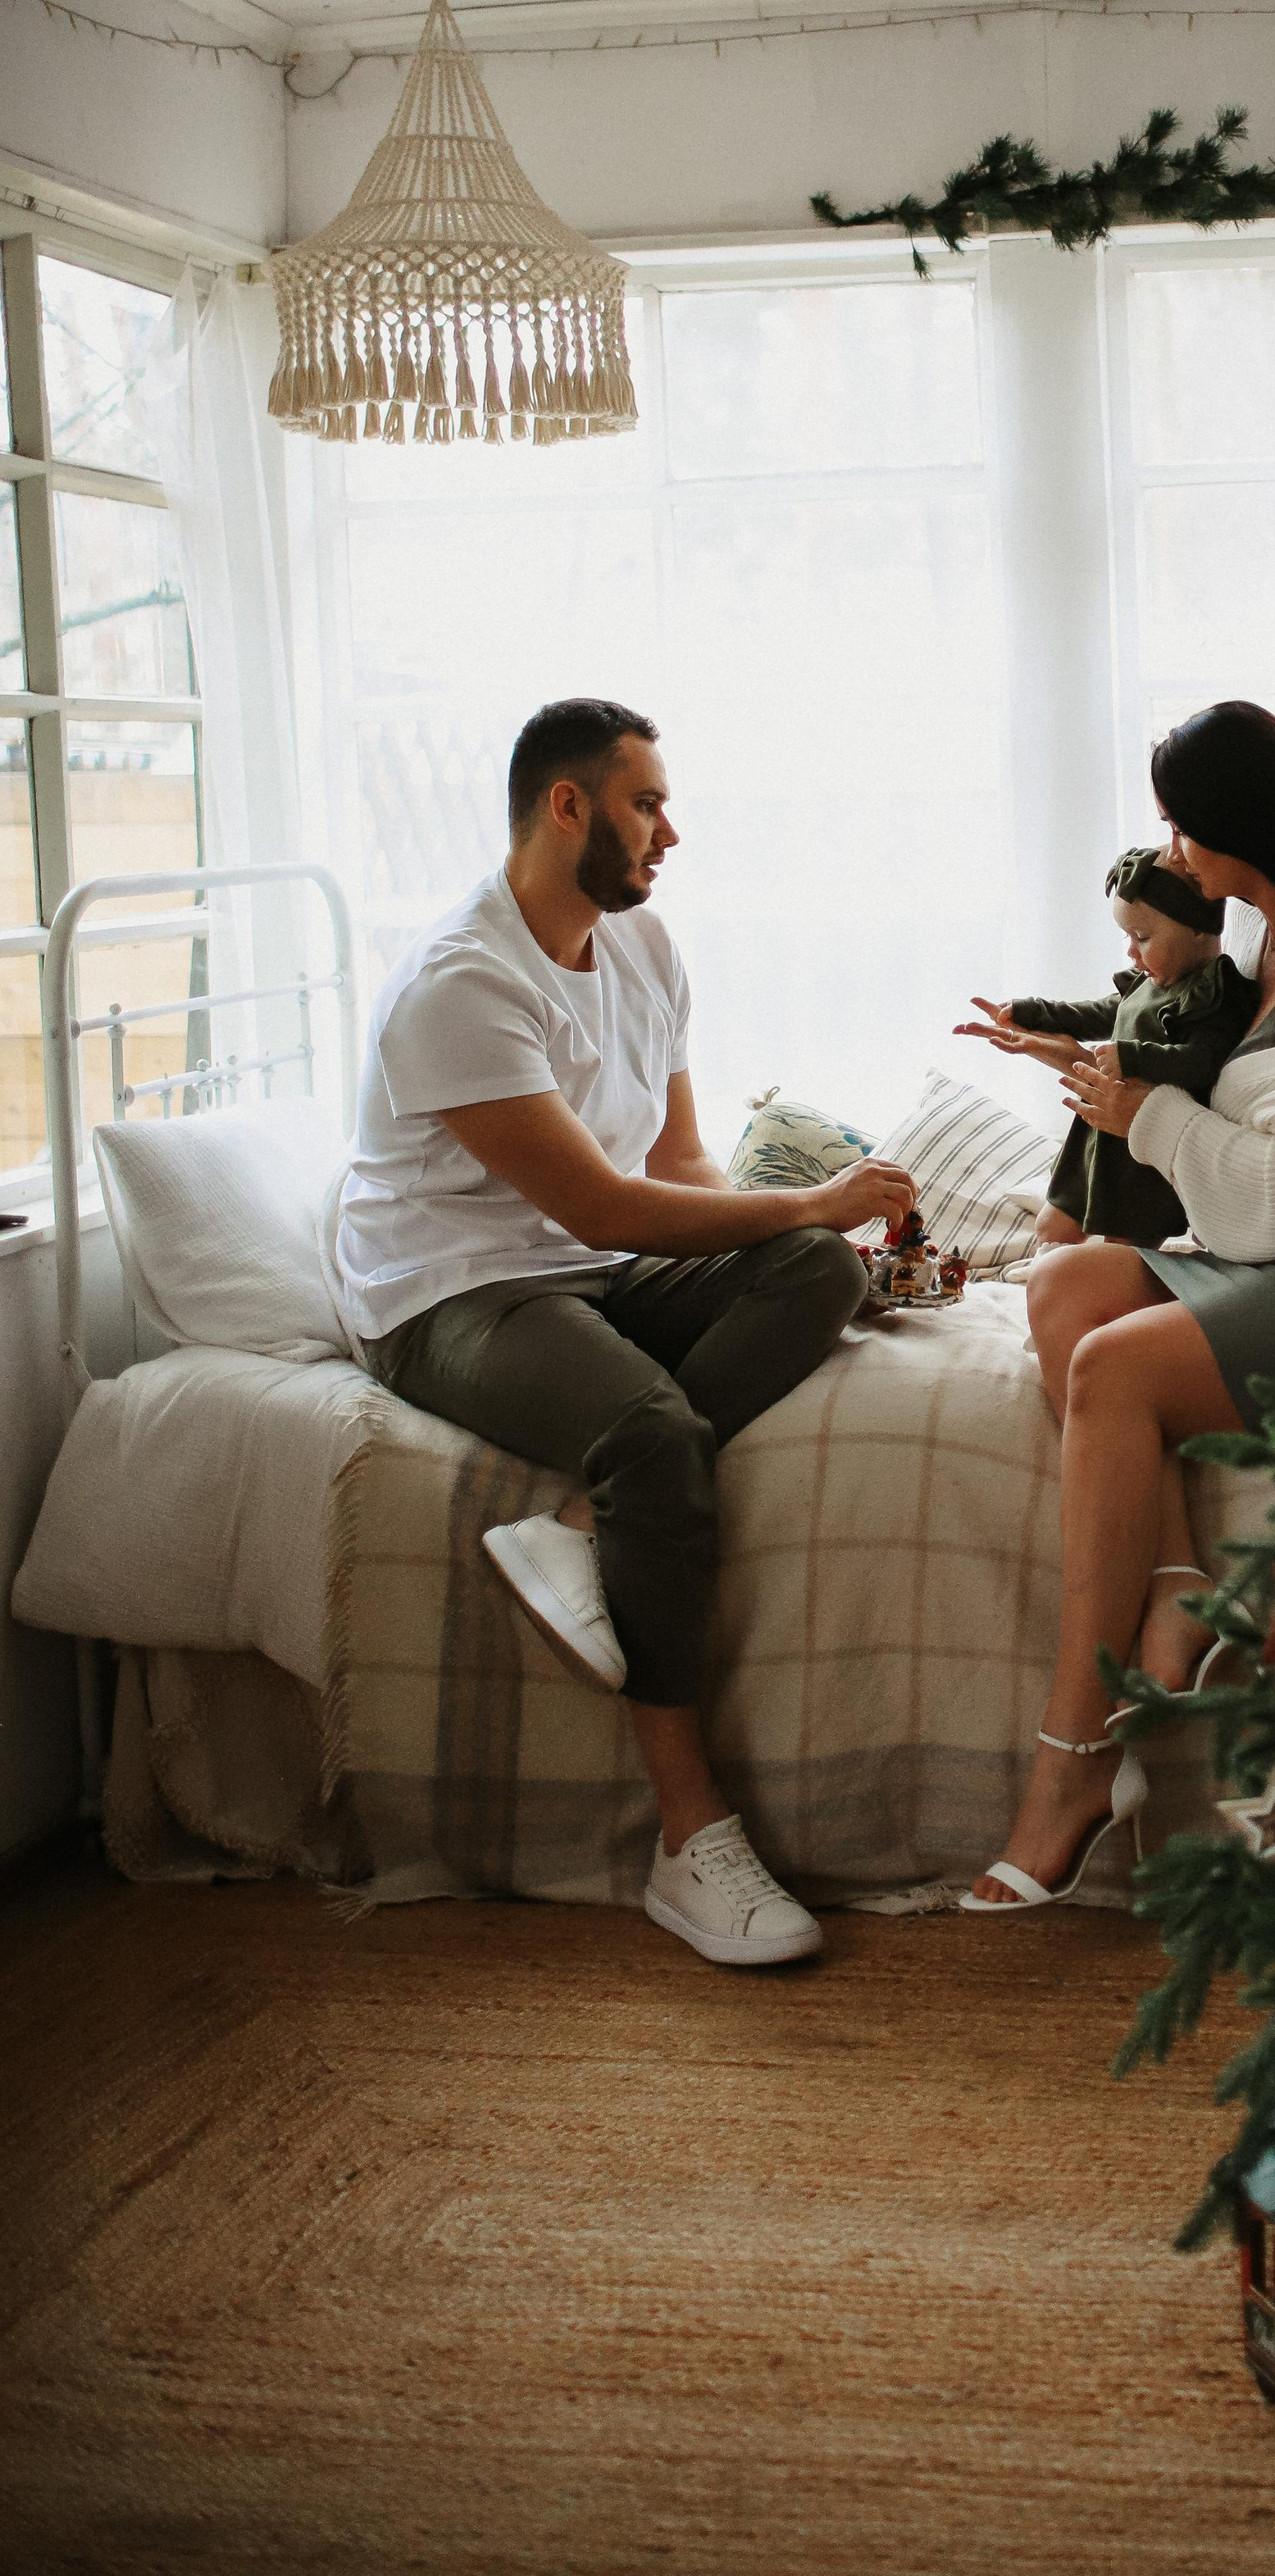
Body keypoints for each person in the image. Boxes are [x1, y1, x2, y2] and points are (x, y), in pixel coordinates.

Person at [331, 697, 916, 1969]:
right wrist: (812, 1190)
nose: (669, 831)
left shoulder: (645, 954)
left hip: (588, 1269)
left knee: (816, 1270)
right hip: (450, 1294)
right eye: (646, 802)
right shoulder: (462, 983)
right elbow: (595, 1200)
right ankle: (689, 1839)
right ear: (567, 806)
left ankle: (584, 1530)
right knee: (651, 1434)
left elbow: (678, 1164)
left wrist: (818, 1240)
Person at [962, 701, 1275, 1913]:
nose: (1171, 853)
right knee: (1065, 1278)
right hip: (1271, 1252)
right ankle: (1178, 1586)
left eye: (1182, 827)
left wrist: (1150, 1122)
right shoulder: (1263, 949)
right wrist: (1095, 1075)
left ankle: (1074, 1759)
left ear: (1240, 827)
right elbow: (1233, 1146)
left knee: (1112, 1370)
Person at [954, 845, 1257, 1249]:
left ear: (1199, 928)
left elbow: (1204, 1063)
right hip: (1098, 1133)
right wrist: (1029, 1012)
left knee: (1122, 1248)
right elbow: (1096, 1014)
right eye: (1127, 937)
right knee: (1052, 1226)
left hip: (1143, 1149)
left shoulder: (1212, 992)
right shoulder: (1149, 982)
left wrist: (1133, 1057)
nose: (1131, 951)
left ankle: (1110, 1289)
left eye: (1143, 937)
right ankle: (1052, 1271)